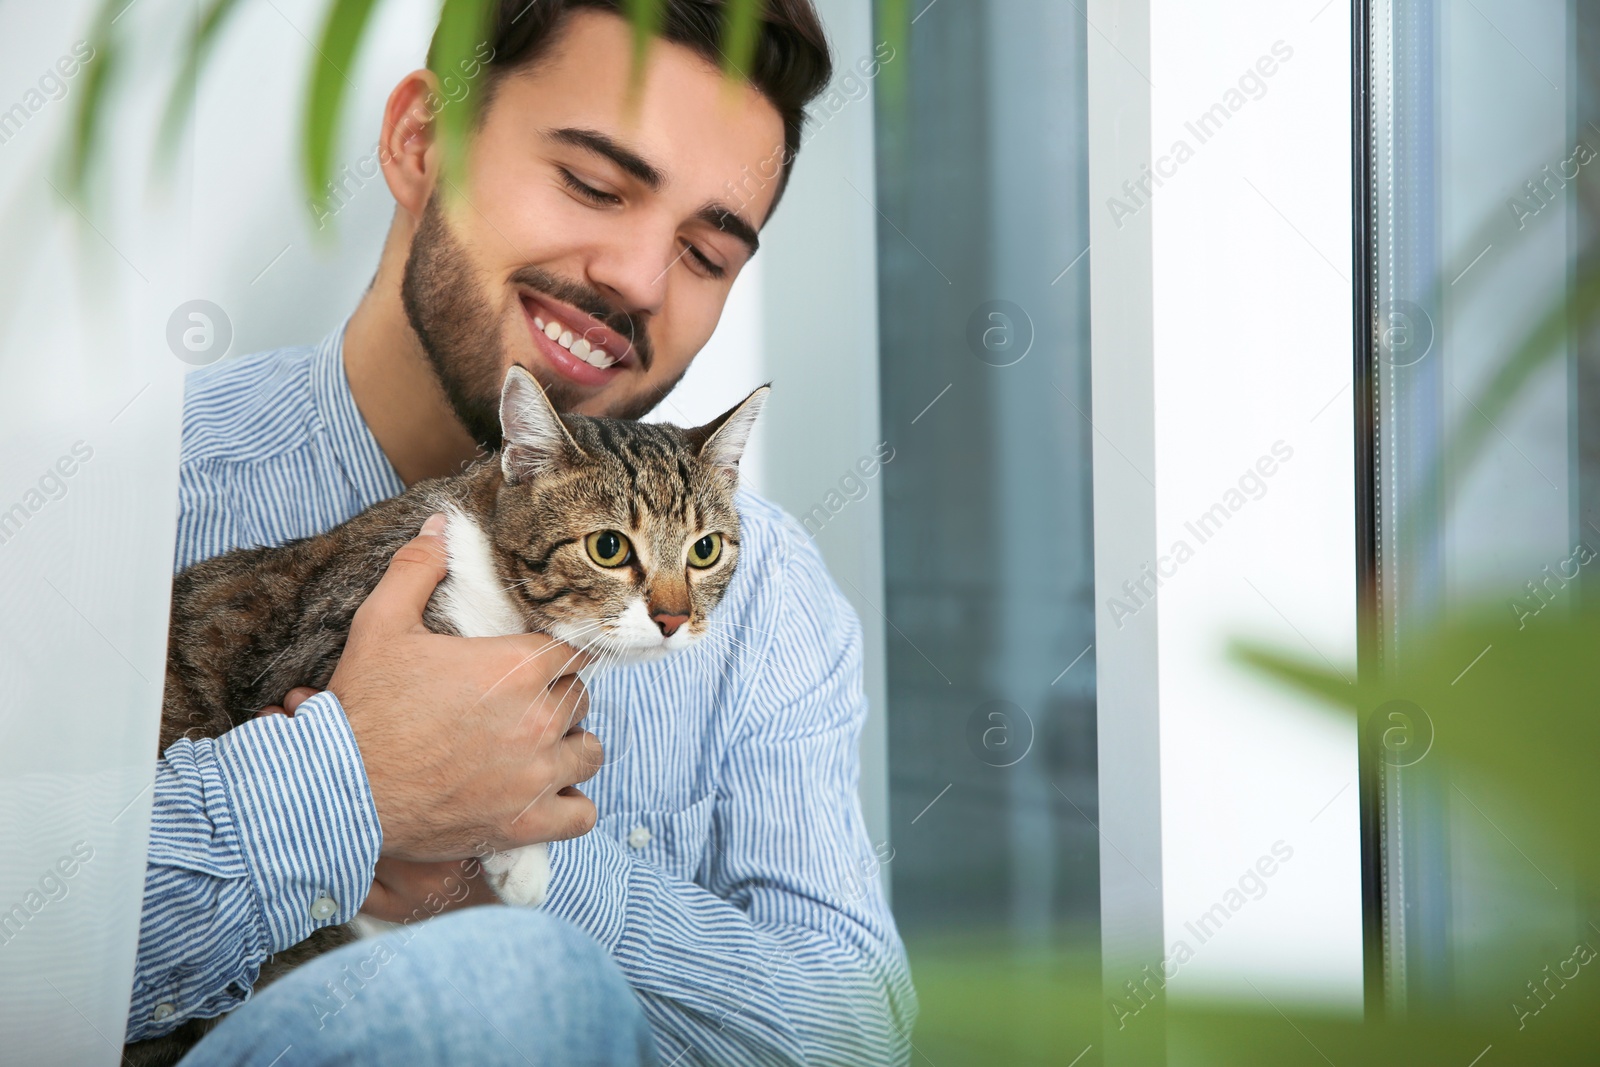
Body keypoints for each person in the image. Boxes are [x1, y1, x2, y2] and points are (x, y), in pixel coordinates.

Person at [127, 2, 916, 1064]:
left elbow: (853, 1040)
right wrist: (347, 792)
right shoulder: (115, 493)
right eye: (594, 184)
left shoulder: (770, 589)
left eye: (705, 252)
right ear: (419, 143)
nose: (638, 279)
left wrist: (520, 841)